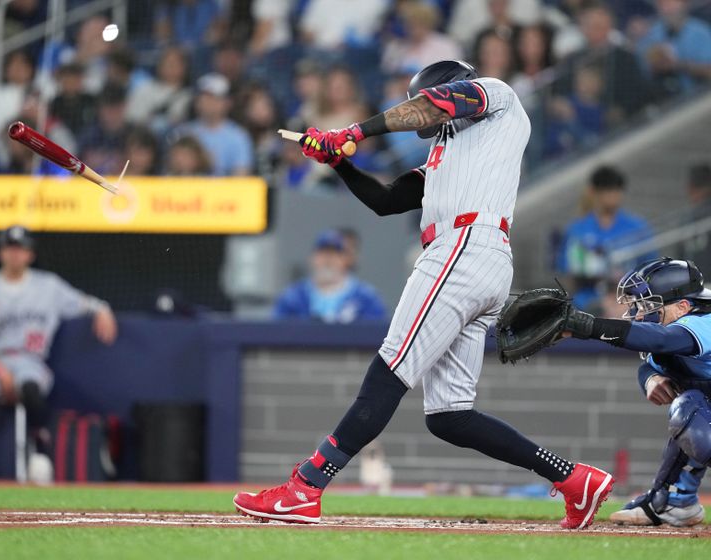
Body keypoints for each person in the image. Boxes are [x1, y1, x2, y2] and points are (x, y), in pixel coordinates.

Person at [234, 59, 614, 529]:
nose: (421, 113)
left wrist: (354, 129)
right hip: (477, 257)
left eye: (425, 98)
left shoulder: (495, 94)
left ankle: (305, 487)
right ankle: (573, 478)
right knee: (450, 416)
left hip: (463, 248)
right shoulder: (452, 149)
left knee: (390, 368)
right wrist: (339, 161)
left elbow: (433, 106)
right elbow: (387, 200)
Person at [0, 226, 117, 483]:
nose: (15, 254)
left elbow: (83, 303)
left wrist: (102, 309)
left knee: (31, 388)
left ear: (30, 254)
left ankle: (40, 459)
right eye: (10, 248)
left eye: (20, 249)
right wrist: (0, 371)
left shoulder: (48, 286)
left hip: (29, 360)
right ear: (0, 252)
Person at [553, 258, 710, 527]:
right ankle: (675, 501)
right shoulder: (676, 327)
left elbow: (661, 340)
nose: (639, 315)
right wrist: (651, 378)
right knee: (690, 406)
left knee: (690, 409)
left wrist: (587, 326)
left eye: (649, 306)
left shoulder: (704, 320)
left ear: (683, 306)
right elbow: (649, 364)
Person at [557, 166, 654, 313]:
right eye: (607, 190)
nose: (612, 196)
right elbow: (567, 271)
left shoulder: (637, 228)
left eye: (616, 190)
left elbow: (649, 268)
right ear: (593, 192)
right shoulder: (578, 229)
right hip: (586, 303)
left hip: (626, 303)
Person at [273, 230, 385, 323]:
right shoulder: (293, 297)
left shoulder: (366, 297)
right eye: (323, 254)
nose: (328, 260)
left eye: (334, 255)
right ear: (312, 258)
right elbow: (276, 332)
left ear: (345, 260)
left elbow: (379, 334)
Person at [180, 73, 253, 176]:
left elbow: (241, 175)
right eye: (204, 97)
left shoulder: (238, 136)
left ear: (227, 103)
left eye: (214, 98)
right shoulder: (184, 133)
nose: (208, 102)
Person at [637, 0, 711, 95]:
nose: (668, 8)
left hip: (699, 95)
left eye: (672, 3)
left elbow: (709, 71)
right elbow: (644, 70)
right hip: (667, 98)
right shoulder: (652, 35)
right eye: (662, 4)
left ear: (684, 4)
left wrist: (677, 65)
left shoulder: (700, 31)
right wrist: (655, 63)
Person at [381, 2, 463, 75]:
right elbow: (387, 74)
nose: (415, 29)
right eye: (410, 24)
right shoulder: (396, 46)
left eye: (420, 23)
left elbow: (453, 75)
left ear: (429, 23)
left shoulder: (447, 45)